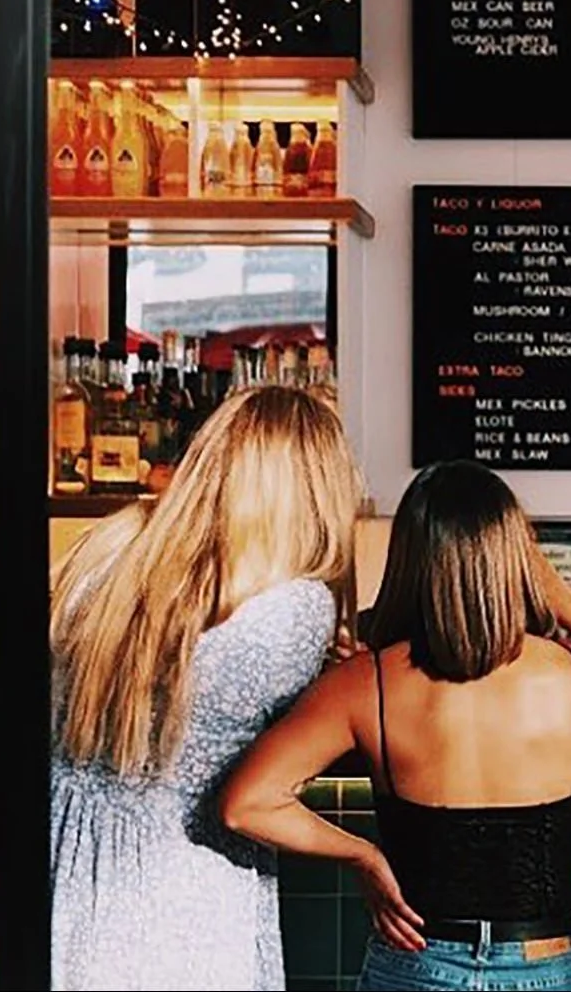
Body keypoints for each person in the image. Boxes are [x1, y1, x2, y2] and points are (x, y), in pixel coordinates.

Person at [221, 460, 571, 992]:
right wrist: (564, 600)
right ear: (515, 559)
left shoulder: (364, 682)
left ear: (409, 561)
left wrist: (362, 855)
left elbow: (248, 804)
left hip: (416, 965)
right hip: (544, 966)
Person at [50, 385, 361, 991]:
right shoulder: (295, 611)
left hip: (66, 872)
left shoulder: (106, 552)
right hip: (182, 892)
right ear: (315, 492)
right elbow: (275, 754)